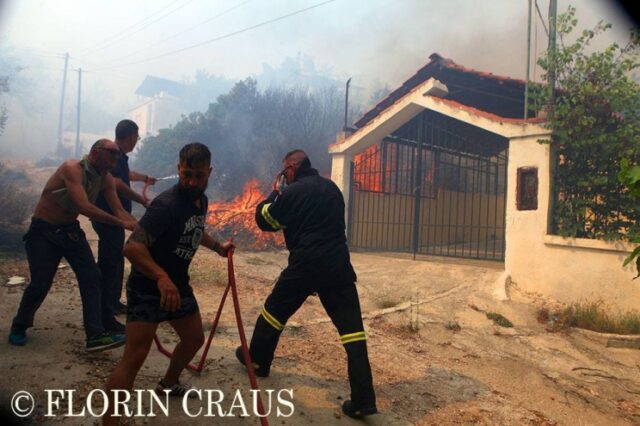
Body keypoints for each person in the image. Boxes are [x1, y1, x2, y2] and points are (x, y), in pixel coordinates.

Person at [237, 149, 377, 418]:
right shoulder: (332, 189)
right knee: (353, 333)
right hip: (338, 267)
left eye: (284, 172)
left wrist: (274, 193)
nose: (284, 176)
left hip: (306, 265)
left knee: (274, 311)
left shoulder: (292, 192)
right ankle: (363, 399)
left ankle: (257, 360)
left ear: (291, 169)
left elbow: (265, 220)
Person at [103, 143, 232, 425]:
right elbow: (132, 248)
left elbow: (195, 230)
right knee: (135, 356)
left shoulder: (201, 200)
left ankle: (168, 383)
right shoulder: (166, 205)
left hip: (177, 286)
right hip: (148, 287)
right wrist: (161, 277)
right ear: (178, 169)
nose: (191, 182)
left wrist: (219, 248)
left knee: (194, 338)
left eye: (198, 175)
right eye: (187, 174)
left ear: (209, 172)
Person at [8, 139, 137, 352]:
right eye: (111, 155)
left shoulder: (106, 180)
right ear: (95, 154)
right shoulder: (72, 169)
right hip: (44, 232)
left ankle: (96, 334)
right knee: (40, 283)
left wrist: (139, 228)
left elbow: (120, 211)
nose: (115, 159)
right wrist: (120, 222)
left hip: (70, 231)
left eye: (117, 156)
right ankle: (19, 325)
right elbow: (83, 206)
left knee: (93, 277)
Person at [92, 119, 156, 318]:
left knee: (116, 258)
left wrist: (145, 178)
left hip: (114, 215)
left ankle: (112, 302)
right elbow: (118, 182)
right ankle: (105, 307)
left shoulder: (119, 156)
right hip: (109, 215)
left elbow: (126, 175)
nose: (137, 140)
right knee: (110, 261)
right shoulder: (115, 155)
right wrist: (141, 200)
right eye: (137, 137)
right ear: (130, 137)